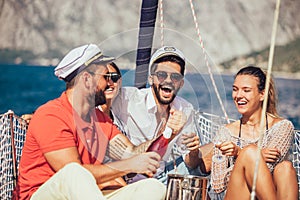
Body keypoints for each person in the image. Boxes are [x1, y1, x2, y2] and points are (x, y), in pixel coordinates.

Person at [16, 44, 166, 200]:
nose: (110, 84)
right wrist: (129, 165)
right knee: (74, 172)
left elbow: (133, 153)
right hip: (41, 195)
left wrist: (169, 131)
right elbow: (72, 175)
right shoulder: (51, 116)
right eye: (105, 77)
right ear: (87, 79)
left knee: (153, 188)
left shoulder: (100, 120)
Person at [112, 46, 210, 184]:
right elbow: (98, 100)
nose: (168, 80)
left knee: (213, 151)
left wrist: (193, 150)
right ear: (151, 79)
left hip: (162, 177)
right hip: (128, 178)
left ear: (181, 83)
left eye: (175, 76)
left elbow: (191, 163)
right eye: (162, 75)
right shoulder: (126, 99)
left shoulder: (185, 109)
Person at [210, 65, 298, 199]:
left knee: (285, 168)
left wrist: (240, 153)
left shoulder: (282, 127)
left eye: (246, 90)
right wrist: (246, 157)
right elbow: (217, 184)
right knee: (250, 152)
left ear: (262, 94)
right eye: (235, 90)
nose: (238, 95)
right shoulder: (225, 132)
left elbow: (269, 166)